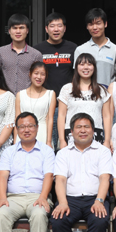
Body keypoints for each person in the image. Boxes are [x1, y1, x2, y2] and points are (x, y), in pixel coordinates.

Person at [50, 113, 113, 232]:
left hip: (95, 198)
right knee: (58, 220)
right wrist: (62, 202)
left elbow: (105, 178)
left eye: (86, 127)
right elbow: (60, 180)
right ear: (71, 131)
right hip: (70, 199)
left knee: (100, 220)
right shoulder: (63, 153)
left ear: (93, 130)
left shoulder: (103, 151)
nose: (83, 130)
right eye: (79, 127)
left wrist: (99, 200)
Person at [0, 112, 55, 232]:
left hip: (37, 197)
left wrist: (43, 197)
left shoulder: (46, 151)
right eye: (22, 127)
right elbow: (2, 176)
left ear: (37, 128)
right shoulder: (9, 152)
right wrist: (2, 198)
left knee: (39, 214)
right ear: (17, 129)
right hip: (13, 198)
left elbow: (49, 176)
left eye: (30, 126)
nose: (26, 130)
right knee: (1, 214)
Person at [34, 12, 78, 148]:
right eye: (52, 26)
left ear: (64, 28)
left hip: (68, 103)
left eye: (59, 26)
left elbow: (77, 74)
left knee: (67, 142)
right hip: (46, 103)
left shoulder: (73, 48)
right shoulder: (38, 50)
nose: (56, 29)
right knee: (48, 141)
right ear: (46, 29)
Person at [57, 53, 112, 149]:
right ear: (76, 67)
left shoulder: (101, 90)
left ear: (94, 67)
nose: (86, 67)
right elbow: (61, 115)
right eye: (82, 64)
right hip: (71, 134)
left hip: (95, 133)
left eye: (89, 64)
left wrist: (107, 140)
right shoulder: (67, 88)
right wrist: (62, 140)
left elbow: (107, 116)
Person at [0, 14, 43, 96]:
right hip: (4, 97)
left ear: (27, 30)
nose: (18, 31)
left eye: (21, 28)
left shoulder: (36, 55)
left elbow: (39, 79)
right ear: (9, 31)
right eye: (15, 28)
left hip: (28, 98)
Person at [15, 62, 57, 146]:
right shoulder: (20, 95)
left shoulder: (50, 94)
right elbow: (17, 120)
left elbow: (50, 119)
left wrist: (49, 141)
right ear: (30, 74)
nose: (39, 77)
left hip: (42, 132)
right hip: (23, 132)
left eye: (42, 74)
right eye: (36, 73)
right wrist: (15, 141)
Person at [74, 8, 116, 87]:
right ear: (87, 27)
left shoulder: (115, 50)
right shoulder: (80, 50)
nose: (95, 27)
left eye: (98, 23)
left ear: (105, 24)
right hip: (86, 93)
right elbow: (76, 76)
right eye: (91, 24)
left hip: (109, 93)